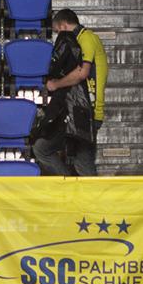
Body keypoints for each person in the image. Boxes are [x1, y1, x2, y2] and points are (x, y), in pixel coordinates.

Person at [32, 10, 97, 176]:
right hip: (81, 109)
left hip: (81, 110)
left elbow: (81, 72)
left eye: (56, 31)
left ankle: (73, 185)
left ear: (62, 26)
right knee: (46, 149)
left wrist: (55, 83)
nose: (57, 36)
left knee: (83, 164)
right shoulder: (81, 39)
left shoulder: (80, 38)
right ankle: (70, 184)